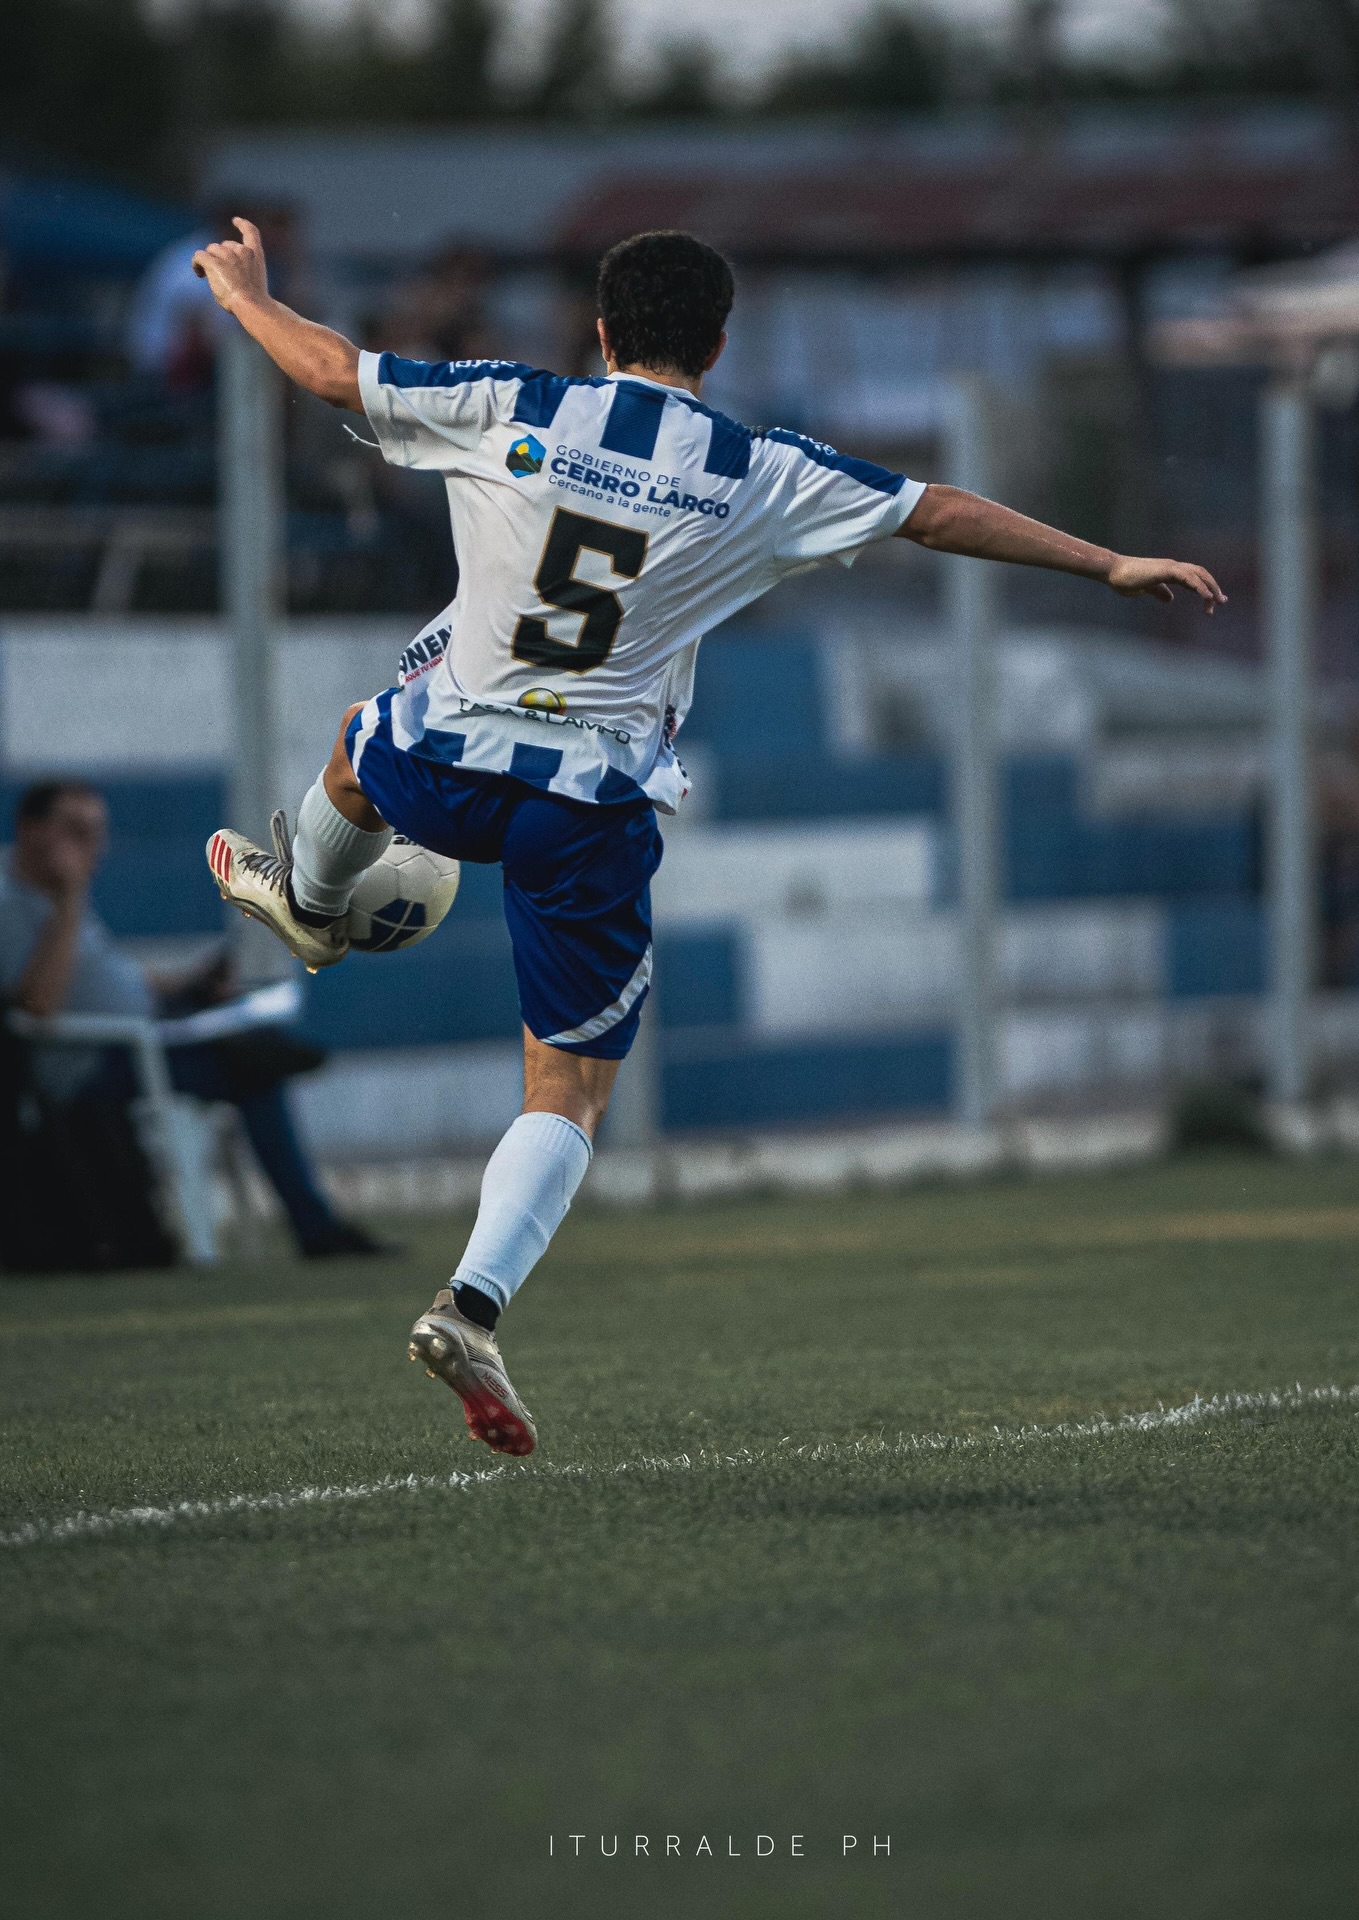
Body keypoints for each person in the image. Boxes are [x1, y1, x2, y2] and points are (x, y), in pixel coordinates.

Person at [190, 219, 1226, 1456]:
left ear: (602, 329)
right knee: (565, 1089)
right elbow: (938, 512)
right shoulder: (760, 469)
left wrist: (250, 295)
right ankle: (472, 1305)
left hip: (448, 758)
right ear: (720, 345)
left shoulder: (511, 400)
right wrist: (1106, 562)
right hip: (586, 808)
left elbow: (326, 369)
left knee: (365, 742)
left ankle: (309, 897)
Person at [0, 780, 384, 1262]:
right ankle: (317, 1227)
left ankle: (262, 1050)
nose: (89, 845)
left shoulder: (58, 894)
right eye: (73, 830)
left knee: (247, 1051)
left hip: (149, 1032)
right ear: (29, 830)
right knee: (254, 1073)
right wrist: (71, 897)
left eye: (97, 831)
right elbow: (36, 1005)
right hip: (90, 1064)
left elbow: (106, 978)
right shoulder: (17, 901)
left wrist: (188, 983)